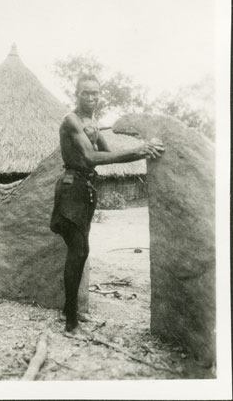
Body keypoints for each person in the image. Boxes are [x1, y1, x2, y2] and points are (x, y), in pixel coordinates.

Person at [50, 74, 164, 338]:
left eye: (95, 93)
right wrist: (139, 150)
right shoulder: (72, 121)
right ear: (76, 94)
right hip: (72, 189)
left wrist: (138, 149)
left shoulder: (93, 124)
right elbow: (90, 157)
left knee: (80, 251)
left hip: (86, 190)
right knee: (78, 252)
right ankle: (70, 325)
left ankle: (70, 313)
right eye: (85, 93)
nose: (91, 97)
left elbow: (108, 154)